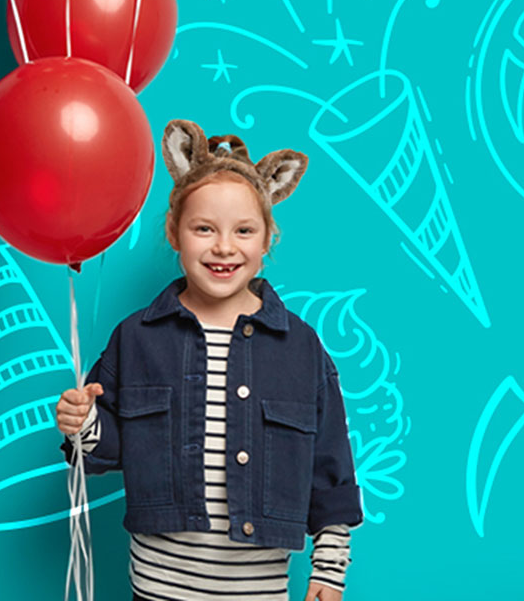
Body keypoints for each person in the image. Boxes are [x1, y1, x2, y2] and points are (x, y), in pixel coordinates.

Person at [56, 119, 363, 601]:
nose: (223, 246)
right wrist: (83, 421)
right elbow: (102, 453)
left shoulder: (301, 350)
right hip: (158, 589)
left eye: (244, 230)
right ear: (175, 233)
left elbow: (331, 468)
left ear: (266, 242)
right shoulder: (136, 339)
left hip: (257, 593)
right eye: (204, 228)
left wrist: (328, 570)